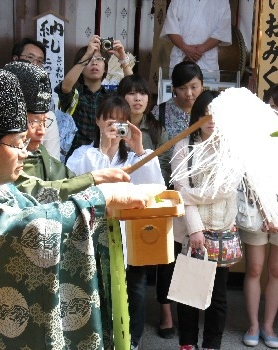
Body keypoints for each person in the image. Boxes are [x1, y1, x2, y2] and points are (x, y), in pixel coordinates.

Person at [0, 67, 152, 349]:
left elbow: (39, 203)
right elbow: (19, 229)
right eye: (15, 143)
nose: (26, 150)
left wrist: (97, 201)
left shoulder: (3, 186)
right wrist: (97, 198)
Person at [3, 60, 131, 202]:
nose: (42, 131)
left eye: (45, 122)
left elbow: (71, 179)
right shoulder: (2, 155)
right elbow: (34, 191)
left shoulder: (41, 154)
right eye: (33, 122)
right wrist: (92, 178)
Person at [172, 90, 239, 350]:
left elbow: (226, 188)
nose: (210, 120)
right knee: (188, 291)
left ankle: (212, 344)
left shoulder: (232, 148)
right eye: (205, 114)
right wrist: (195, 229)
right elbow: (180, 190)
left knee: (218, 294)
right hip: (192, 231)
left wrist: (190, 194)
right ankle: (187, 343)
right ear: (196, 116)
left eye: (216, 115)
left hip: (222, 228)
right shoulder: (183, 146)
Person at [240, 84, 278, 349]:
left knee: (277, 269)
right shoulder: (253, 138)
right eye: (272, 105)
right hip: (256, 209)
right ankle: (253, 324)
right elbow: (250, 180)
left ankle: (268, 326)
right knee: (254, 268)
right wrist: (267, 212)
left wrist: (276, 213)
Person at [150, 60, 205, 339]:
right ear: (174, 89)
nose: (189, 94)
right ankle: (166, 312)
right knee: (167, 256)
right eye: (182, 88)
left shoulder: (207, 114)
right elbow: (154, 153)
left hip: (197, 194)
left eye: (194, 86)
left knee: (194, 251)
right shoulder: (160, 112)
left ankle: (191, 311)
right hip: (167, 190)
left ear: (202, 85)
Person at [116, 75, 172, 347]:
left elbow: (164, 169)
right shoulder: (111, 124)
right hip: (114, 208)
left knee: (137, 279)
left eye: (143, 94)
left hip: (144, 207)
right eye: (132, 93)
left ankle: (134, 337)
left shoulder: (156, 129)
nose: (138, 99)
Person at [55, 34, 133, 159]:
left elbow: (132, 89)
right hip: (76, 159)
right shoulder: (75, 95)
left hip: (107, 156)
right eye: (90, 59)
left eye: (99, 59)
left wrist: (123, 59)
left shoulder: (112, 97)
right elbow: (65, 87)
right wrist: (87, 54)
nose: (94, 62)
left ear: (105, 68)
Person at [11, 37, 61, 160]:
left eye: (39, 61)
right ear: (15, 59)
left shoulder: (45, 103)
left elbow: (53, 160)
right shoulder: (0, 90)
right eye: (30, 58)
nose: (34, 64)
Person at [160, 0, 232, 78]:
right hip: (181, 57)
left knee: (207, 88)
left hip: (206, 60)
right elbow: (171, 29)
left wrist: (199, 51)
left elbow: (221, 32)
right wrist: (185, 48)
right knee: (179, 86)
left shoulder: (222, 1)